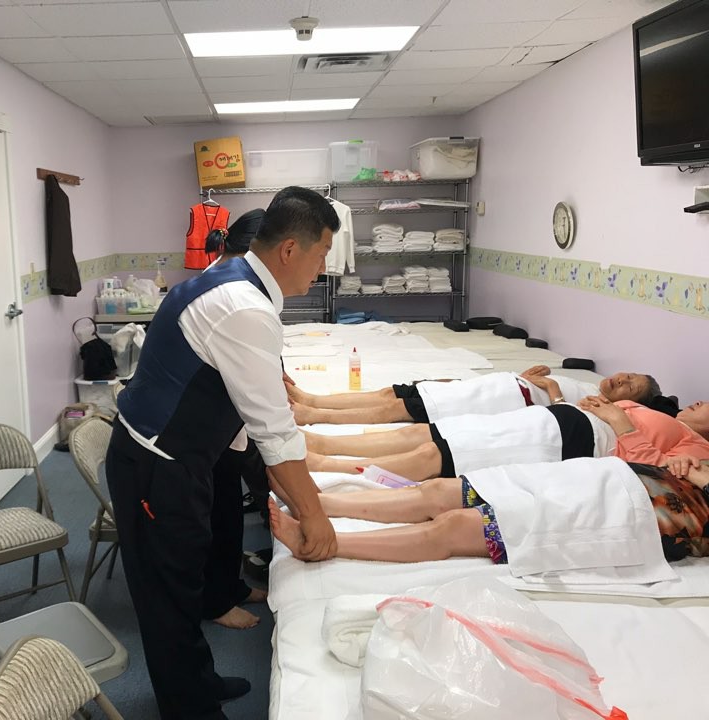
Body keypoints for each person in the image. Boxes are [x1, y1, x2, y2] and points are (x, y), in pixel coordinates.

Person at [105, 186, 340, 720]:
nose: (324, 268)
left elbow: (247, 410)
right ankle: (191, 710)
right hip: (155, 463)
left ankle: (201, 682)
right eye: (323, 253)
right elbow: (274, 433)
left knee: (186, 574)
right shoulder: (243, 307)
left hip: (181, 455)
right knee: (168, 596)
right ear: (290, 250)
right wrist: (314, 516)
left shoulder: (235, 280)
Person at [269, 457, 709, 565]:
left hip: (628, 514)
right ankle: (319, 505)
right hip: (596, 478)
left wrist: (701, 480)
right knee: (437, 491)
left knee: (451, 527)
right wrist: (684, 463)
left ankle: (324, 545)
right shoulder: (690, 450)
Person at [303, 397, 709, 479]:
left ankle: (333, 467)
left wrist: (620, 422)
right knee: (429, 433)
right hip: (553, 419)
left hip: (571, 443)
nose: (699, 401)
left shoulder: (699, 450)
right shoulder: (670, 418)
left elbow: (657, 476)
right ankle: (326, 445)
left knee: (436, 456)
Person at [201, 209, 271, 631]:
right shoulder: (223, 293)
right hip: (203, 430)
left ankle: (233, 586)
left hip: (224, 425)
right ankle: (215, 600)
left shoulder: (230, 282)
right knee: (215, 518)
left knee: (228, 512)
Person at [287, 365, 663, 426]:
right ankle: (312, 399)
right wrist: (532, 377)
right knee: (391, 392)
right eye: (627, 375)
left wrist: (549, 387)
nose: (621, 379)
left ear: (628, 402)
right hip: (494, 385)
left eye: (629, 386)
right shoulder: (589, 381)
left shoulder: (602, 409)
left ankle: (316, 415)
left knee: (397, 408)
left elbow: (562, 414)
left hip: (495, 402)